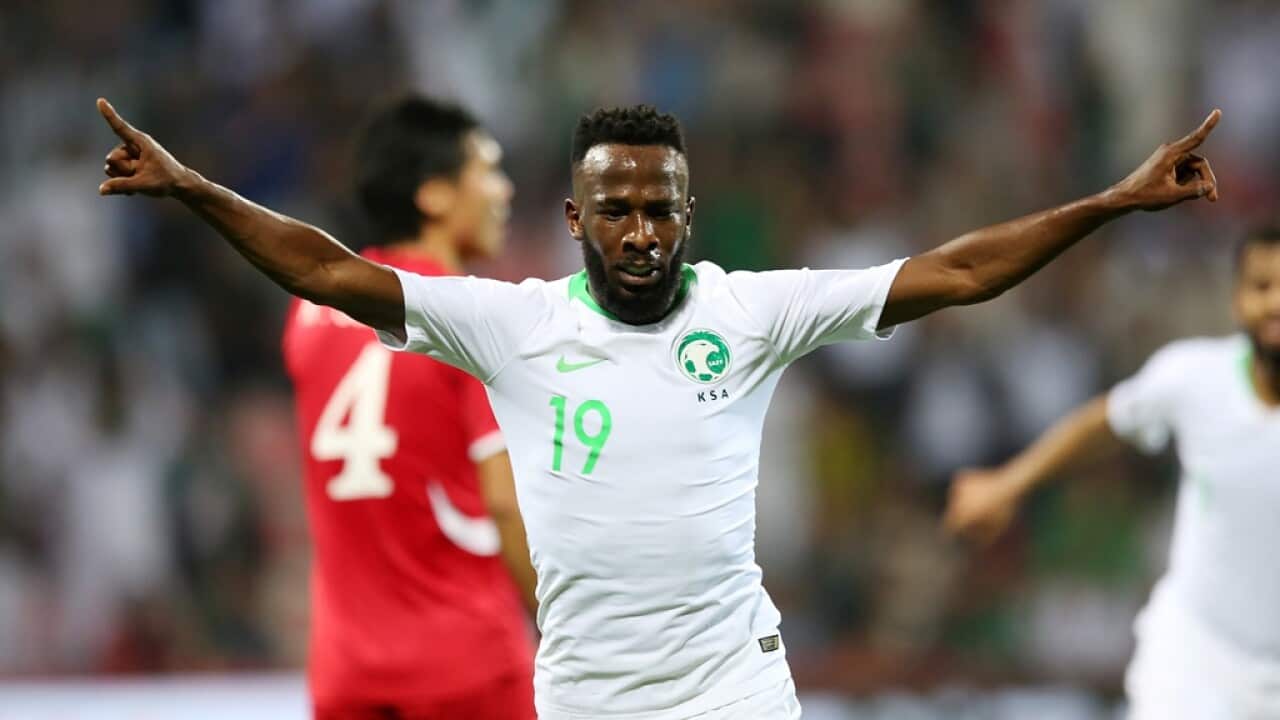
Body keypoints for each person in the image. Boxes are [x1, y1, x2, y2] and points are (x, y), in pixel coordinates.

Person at [95, 97, 1219, 719]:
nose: (642, 231)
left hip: (734, 688)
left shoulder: (753, 312)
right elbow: (331, 273)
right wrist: (195, 189)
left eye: (661, 207)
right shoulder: (514, 324)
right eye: (616, 209)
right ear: (575, 221)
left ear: (690, 212)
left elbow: (955, 272)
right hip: (583, 699)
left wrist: (1113, 201)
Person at [945, 227, 1280, 720]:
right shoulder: (1195, 379)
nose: (1275, 303)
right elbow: (1108, 419)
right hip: (1196, 659)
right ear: (1235, 301)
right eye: (1261, 287)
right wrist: (1008, 483)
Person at [281, 96, 536, 718]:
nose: (505, 192)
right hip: (465, 663)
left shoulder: (307, 316)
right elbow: (504, 502)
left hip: (347, 670)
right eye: (489, 170)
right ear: (436, 196)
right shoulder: (471, 316)